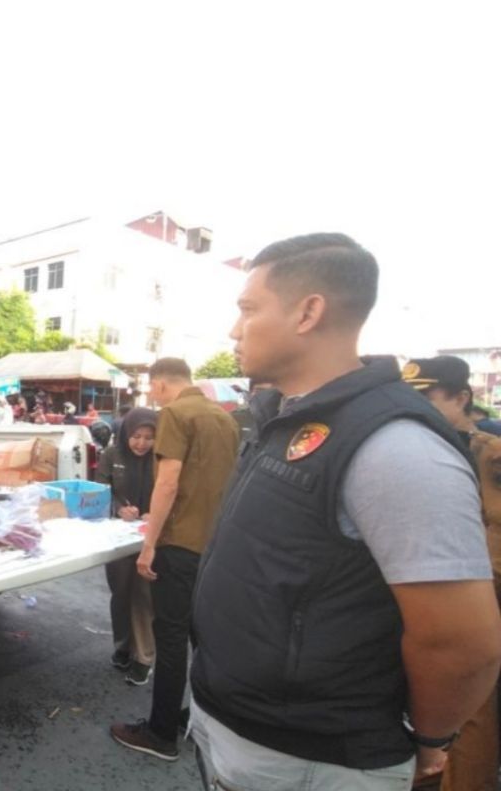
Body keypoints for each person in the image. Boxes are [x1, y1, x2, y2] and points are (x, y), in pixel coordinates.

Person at [188, 234, 501, 789]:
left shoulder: (394, 446)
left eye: (248, 309)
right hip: (241, 726)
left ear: (309, 312)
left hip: (313, 755)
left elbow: (461, 641)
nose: (234, 330)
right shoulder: (280, 418)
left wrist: (431, 739)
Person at [110, 357, 239, 761]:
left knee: (170, 639)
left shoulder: (176, 414)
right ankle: (195, 718)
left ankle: (162, 733)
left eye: (152, 390)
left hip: (179, 545)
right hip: (214, 545)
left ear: (161, 385)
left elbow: (167, 484)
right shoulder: (225, 420)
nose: (152, 396)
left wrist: (149, 544)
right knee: (206, 640)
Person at [402, 356, 501, 791]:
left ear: (462, 397)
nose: (414, 406)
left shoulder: (488, 454)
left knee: (470, 708)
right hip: (416, 592)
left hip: (472, 593)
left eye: (426, 396)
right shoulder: (408, 447)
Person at [98, 408, 158, 686]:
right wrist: (118, 508)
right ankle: (122, 647)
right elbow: (98, 491)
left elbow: (171, 492)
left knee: (144, 596)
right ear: (126, 434)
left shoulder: (161, 460)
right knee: (120, 593)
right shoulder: (111, 455)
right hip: (118, 536)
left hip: (149, 537)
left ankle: (143, 658)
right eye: (136, 436)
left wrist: (153, 514)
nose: (141, 443)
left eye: (148, 437)